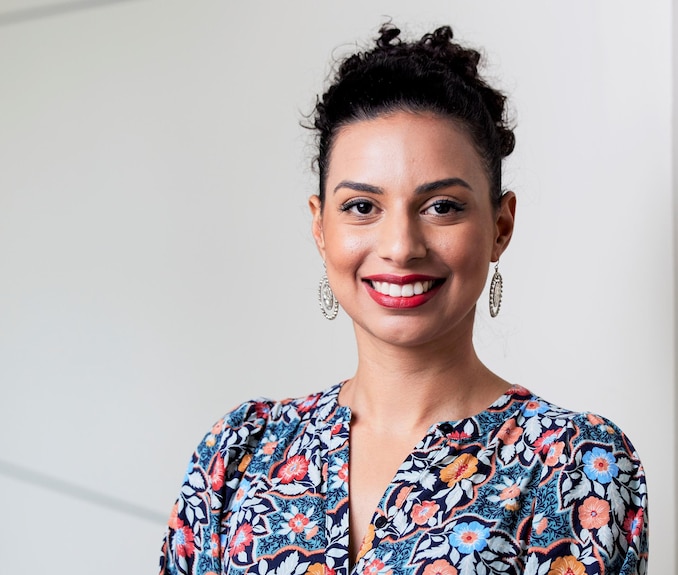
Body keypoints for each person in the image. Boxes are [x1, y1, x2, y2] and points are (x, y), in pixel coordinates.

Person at [160, 24, 648, 575]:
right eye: (362, 207)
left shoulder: (577, 466)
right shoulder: (237, 453)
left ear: (500, 226)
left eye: (441, 206)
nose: (400, 247)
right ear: (321, 228)